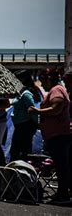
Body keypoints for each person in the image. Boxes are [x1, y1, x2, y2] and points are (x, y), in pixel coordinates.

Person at [29, 69, 71, 203]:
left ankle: (63, 195)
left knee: (61, 166)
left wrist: (38, 111)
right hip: (58, 134)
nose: (42, 84)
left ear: (49, 79)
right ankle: (62, 193)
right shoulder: (59, 89)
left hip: (58, 134)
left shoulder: (56, 90)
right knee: (61, 165)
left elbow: (56, 107)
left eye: (43, 81)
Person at [9, 70, 42, 161]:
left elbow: (32, 110)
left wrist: (35, 125)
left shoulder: (26, 94)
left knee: (19, 151)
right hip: (20, 126)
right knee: (18, 150)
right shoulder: (21, 93)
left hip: (25, 126)